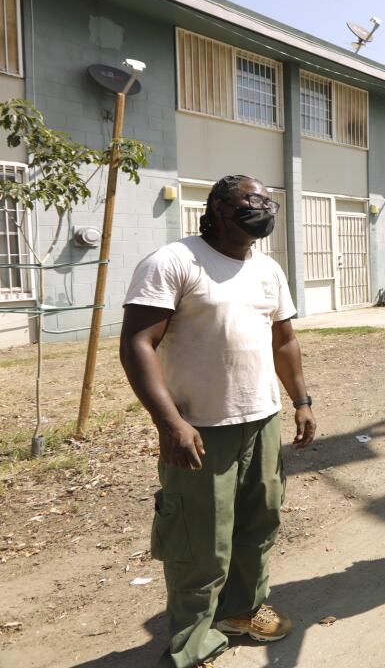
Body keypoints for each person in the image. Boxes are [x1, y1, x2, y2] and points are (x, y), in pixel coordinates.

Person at [119, 175, 317, 668]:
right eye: (251, 200)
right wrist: (170, 425)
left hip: (262, 418)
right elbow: (136, 345)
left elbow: (284, 341)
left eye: (268, 201)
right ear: (218, 208)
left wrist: (301, 400)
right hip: (200, 428)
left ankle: (242, 611)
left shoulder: (268, 269)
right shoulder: (174, 262)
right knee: (200, 542)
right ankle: (189, 645)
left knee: (260, 523)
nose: (263, 208)